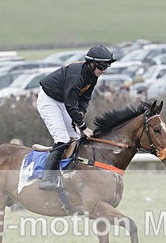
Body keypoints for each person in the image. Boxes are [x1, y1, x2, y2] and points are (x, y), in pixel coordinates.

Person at [37, 44, 115, 190]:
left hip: (64, 102)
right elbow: (71, 103)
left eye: (106, 67)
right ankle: (47, 178)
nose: (103, 71)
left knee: (75, 139)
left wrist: (80, 117)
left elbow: (84, 98)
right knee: (62, 139)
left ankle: (71, 175)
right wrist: (83, 126)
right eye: (102, 67)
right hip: (49, 100)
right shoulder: (76, 75)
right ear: (91, 63)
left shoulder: (92, 75)